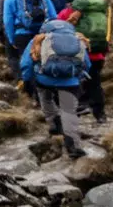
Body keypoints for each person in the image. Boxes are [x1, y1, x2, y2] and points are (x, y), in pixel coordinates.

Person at [21, 14, 92, 158]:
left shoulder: (39, 39)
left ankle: (54, 125)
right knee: (69, 111)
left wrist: (27, 80)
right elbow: (87, 64)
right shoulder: (77, 38)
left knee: (45, 98)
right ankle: (73, 147)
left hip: (44, 79)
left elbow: (26, 63)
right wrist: (76, 77)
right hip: (70, 81)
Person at [0, 0, 53, 98]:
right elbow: (54, 16)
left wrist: (12, 39)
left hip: (22, 35)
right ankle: (50, 93)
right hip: (43, 34)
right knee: (45, 61)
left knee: (27, 64)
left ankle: (33, 95)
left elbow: (8, 21)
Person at [69, 0, 112, 125]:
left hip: (80, 55)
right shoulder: (100, 13)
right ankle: (100, 115)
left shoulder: (68, 12)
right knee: (95, 84)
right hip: (98, 54)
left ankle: (79, 109)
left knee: (75, 83)